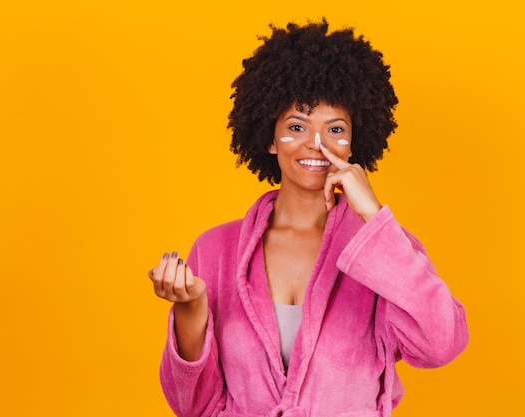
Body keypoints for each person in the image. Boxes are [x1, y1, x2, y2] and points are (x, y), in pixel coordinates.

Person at [148, 18, 468, 417]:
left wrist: (371, 212)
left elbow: (442, 344)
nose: (315, 145)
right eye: (296, 126)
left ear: (356, 139)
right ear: (268, 136)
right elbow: (193, 405)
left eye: (335, 128)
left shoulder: (383, 249)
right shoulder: (215, 250)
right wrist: (191, 310)